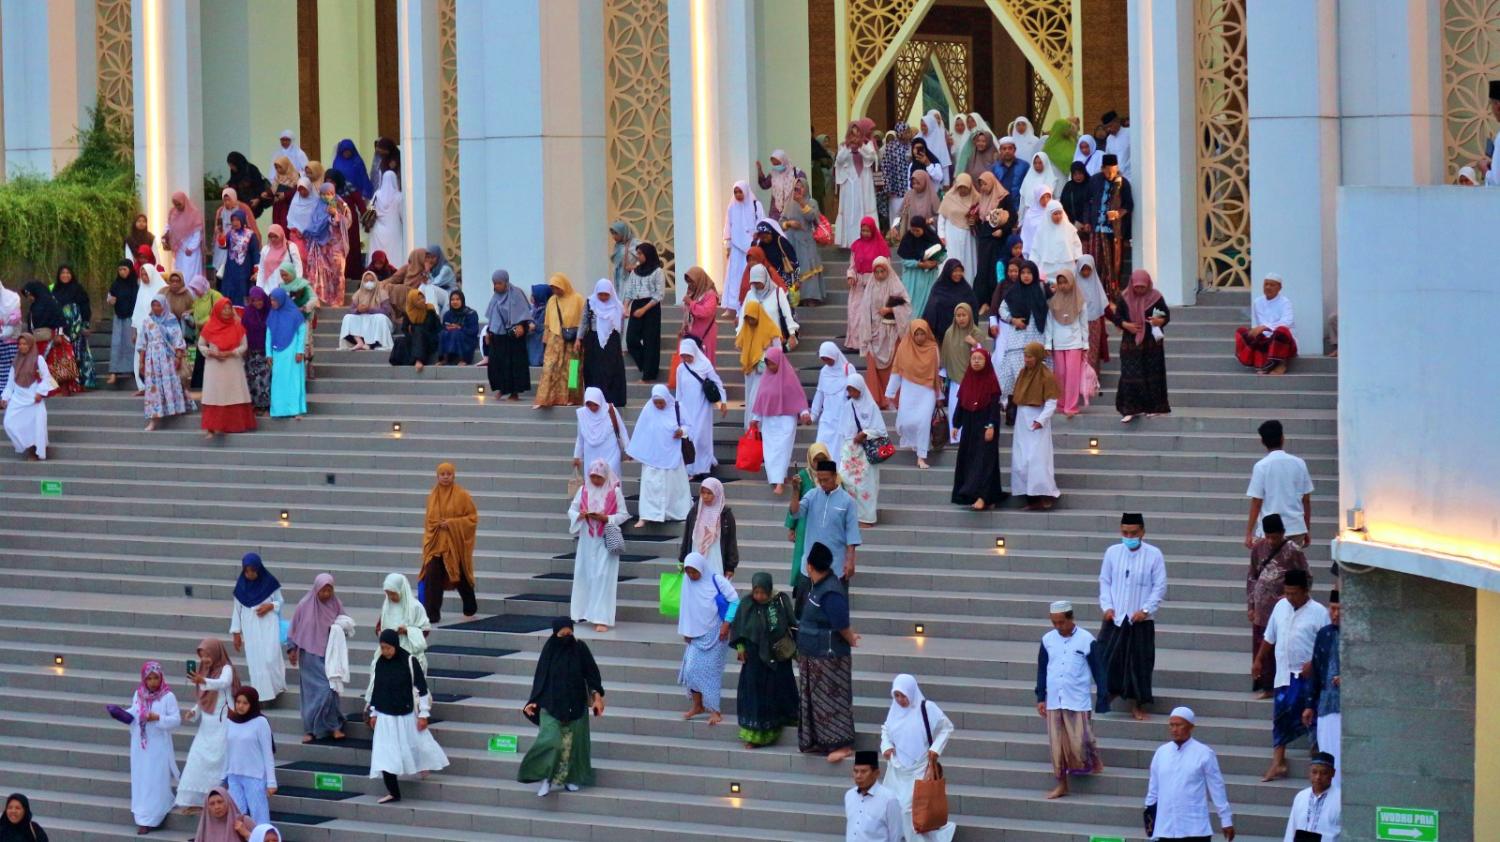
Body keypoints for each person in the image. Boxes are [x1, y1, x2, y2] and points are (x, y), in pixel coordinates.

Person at [1256, 568, 1329, 782]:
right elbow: (1269, 637)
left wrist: (1314, 664)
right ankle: (1278, 763)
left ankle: (1318, 764)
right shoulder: (1280, 607)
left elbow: (1326, 645)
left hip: (1307, 676)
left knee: (1311, 719)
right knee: (1280, 719)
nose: (1290, 597)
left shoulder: (1319, 612)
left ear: (1305, 591)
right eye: (1287, 592)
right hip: (1283, 675)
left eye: (1294, 593)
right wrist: (1259, 659)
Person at [520, 618, 606, 796]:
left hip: (576, 704)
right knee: (551, 741)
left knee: (572, 745)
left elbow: (592, 674)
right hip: (551, 704)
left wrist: (597, 697)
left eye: (570, 634)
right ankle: (545, 777)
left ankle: (569, 778)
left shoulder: (580, 648)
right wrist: (533, 700)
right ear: (555, 633)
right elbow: (540, 678)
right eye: (562, 634)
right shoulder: (549, 650)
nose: (567, 637)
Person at [365, 629, 448, 804]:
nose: (385, 652)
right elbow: (377, 689)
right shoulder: (380, 663)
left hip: (406, 714)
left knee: (416, 743)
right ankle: (393, 792)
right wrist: (374, 713)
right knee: (385, 754)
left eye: (388, 648)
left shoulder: (409, 661)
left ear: (395, 645)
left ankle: (422, 766)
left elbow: (422, 688)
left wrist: (424, 714)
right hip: (386, 717)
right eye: (382, 648)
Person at [1035, 600, 1107, 800]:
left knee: (1080, 740)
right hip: (1054, 700)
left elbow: (1098, 670)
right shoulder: (1048, 640)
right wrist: (1041, 696)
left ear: (1070, 618)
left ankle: (1093, 758)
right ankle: (1062, 784)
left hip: (1077, 698)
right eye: (1054, 623)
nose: (1058, 627)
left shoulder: (1086, 640)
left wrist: (1103, 694)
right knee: (1057, 745)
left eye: (1061, 623)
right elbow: (1042, 669)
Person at [1097, 512, 1167, 720]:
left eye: (1133, 533)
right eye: (1125, 532)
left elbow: (1160, 586)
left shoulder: (1154, 554)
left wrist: (1146, 610)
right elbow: (1105, 581)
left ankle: (1138, 704)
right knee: (1108, 657)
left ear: (1142, 532)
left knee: (1140, 663)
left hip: (1140, 619)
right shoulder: (1112, 552)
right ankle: (1109, 693)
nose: (1129, 536)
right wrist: (1107, 607)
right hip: (1116, 617)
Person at [798, 543, 858, 762]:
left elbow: (841, 622)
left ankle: (841, 744)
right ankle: (819, 741)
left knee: (832, 700)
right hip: (812, 654)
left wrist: (851, 638)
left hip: (829, 658)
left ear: (810, 565)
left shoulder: (832, 590)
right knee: (815, 700)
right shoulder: (817, 586)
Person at [879, 675, 957, 840]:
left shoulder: (927, 708)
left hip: (919, 767)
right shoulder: (895, 710)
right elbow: (886, 729)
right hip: (897, 769)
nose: (900, 700)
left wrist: (935, 749)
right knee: (895, 807)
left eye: (903, 695)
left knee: (910, 809)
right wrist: (886, 746)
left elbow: (947, 727)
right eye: (897, 695)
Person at [728, 572, 798, 748]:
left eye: (762, 592)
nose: (759, 596)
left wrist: (797, 650)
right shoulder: (747, 604)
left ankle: (782, 720)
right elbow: (738, 629)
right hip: (754, 658)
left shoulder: (779, 601)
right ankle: (756, 736)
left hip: (777, 656)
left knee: (778, 690)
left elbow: (791, 623)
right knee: (756, 695)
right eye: (756, 592)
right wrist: (740, 648)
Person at [1144, 707, 1235, 841]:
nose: (1174, 729)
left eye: (1179, 725)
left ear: (1191, 727)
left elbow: (1217, 787)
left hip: (1195, 828)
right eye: (1171, 725)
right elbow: (1153, 788)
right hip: (1165, 828)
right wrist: (1149, 820)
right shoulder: (1161, 753)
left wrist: (1226, 819)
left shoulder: (1204, 753)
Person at [1246, 514, 1309, 696]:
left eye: (1275, 537)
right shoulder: (1258, 548)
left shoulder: (1293, 550)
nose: (1272, 541)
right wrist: (1251, 605)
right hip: (1262, 607)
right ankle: (1264, 685)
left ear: (1282, 533)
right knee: (1262, 645)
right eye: (1268, 537)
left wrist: (1294, 597)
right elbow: (1251, 576)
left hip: (1284, 606)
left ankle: (1279, 685)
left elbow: (1306, 576)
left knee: (1279, 647)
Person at [115, 661, 181, 833]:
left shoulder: (168, 696)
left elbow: (176, 720)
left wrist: (157, 718)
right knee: (142, 779)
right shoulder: (138, 694)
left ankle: (154, 816)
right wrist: (121, 714)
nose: (152, 682)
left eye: (155, 678)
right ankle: (142, 816)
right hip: (140, 744)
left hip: (158, 744)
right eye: (149, 678)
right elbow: (135, 712)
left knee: (156, 778)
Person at [174, 638, 238, 809]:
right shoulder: (204, 671)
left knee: (219, 759)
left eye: (208, 656)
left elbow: (224, 683)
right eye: (202, 656)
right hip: (207, 723)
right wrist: (194, 711)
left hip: (223, 719)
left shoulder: (226, 668)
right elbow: (204, 698)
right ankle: (197, 800)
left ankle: (221, 798)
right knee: (198, 757)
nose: (205, 660)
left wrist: (203, 681)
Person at [676, 551, 739, 725]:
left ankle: (715, 710)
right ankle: (698, 705)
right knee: (690, 670)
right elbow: (686, 607)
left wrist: (727, 623)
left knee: (711, 673)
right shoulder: (687, 583)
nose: (691, 575)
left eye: (694, 571)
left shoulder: (716, 579)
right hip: (696, 634)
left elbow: (734, 600)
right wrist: (686, 630)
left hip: (717, 633)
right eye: (688, 571)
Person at [567, 459, 630, 631]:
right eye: (593, 477)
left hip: (605, 538)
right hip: (587, 540)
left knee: (603, 576)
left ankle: (601, 618)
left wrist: (607, 518)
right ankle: (584, 612)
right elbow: (571, 510)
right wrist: (580, 515)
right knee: (586, 574)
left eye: (599, 477)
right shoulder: (583, 490)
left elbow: (623, 514)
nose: (595, 480)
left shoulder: (614, 492)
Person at [285, 574, 346, 742]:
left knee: (330, 690)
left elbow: (345, 624)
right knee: (313, 693)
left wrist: (341, 629)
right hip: (310, 656)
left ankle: (334, 726)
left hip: (330, 655)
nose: (326, 594)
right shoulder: (305, 605)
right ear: (316, 589)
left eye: (329, 590)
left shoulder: (336, 604)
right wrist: (291, 649)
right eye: (323, 591)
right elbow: (294, 628)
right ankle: (310, 729)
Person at [418, 462, 480, 623]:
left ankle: (470, 607)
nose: (446, 477)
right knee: (432, 576)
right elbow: (429, 521)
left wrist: (452, 524)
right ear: (437, 476)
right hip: (436, 544)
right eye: (442, 474)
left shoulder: (462, 495)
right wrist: (436, 527)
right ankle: (432, 615)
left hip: (454, 544)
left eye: (449, 474)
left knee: (459, 574)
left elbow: (472, 518)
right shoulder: (432, 496)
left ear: (454, 476)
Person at [1108, 269, 1171, 422]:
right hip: (1131, 343)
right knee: (1130, 374)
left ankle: (1154, 407)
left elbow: (1165, 315)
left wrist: (1159, 321)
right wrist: (1126, 325)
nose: (1140, 290)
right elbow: (1116, 317)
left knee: (1153, 375)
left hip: (1151, 343)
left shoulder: (1156, 297)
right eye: (1137, 287)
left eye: (1142, 287)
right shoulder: (1125, 297)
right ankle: (1130, 408)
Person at [628, 384, 693, 526]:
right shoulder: (648, 409)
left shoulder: (677, 407)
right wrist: (636, 450)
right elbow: (641, 430)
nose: (658, 405)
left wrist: (682, 431)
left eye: (661, 402)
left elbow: (688, 425)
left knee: (674, 484)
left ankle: (678, 512)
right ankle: (646, 515)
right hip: (653, 454)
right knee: (650, 484)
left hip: (672, 452)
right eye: (656, 402)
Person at [950, 348, 1005, 509]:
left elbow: (994, 408)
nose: (976, 361)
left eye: (980, 359)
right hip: (969, 426)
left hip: (986, 426)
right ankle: (984, 495)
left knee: (985, 461)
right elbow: (961, 404)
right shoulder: (967, 380)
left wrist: (991, 426)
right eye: (973, 358)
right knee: (970, 459)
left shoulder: (991, 381)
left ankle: (983, 496)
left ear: (986, 361)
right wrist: (956, 424)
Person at [1245, 419, 1315, 548]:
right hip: (1295, 528)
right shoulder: (1299, 463)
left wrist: (1249, 532)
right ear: (1283, 438)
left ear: (1263, 441)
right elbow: (1306, 500)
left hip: (1270, 531)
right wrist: (1306, 528)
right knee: (1293, 566)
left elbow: (1257, 502)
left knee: (1272, 566)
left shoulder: (1261, 466)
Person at [753, 344, 811, 493]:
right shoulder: (765, 379)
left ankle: (778, 482)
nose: (771, 367)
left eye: (773, 363)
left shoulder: (789, 377)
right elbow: (761, 399)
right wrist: (756, 418)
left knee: (783, 449)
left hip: (786, 419)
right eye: (768, 364)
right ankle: (778, 477)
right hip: (769, 421)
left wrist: (804, 412)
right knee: (771, 450)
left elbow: (798, 396)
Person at [1010, 342, 1061, 509]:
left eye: (1030, 356)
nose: (1027, 359)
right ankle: (1029, 497)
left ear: (1038, 356)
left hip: (1037, 420)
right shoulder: (1023, 373)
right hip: (1022, 421)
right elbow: (1018, 395)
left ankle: (1043, 496)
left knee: (1037, 459)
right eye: (1025, 356)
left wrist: (1041, 420)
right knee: (1022, 459)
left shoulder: (1046, 375)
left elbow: (1052, 401)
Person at [884, 320, 940, 469]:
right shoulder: (904, 347)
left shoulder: (933, 348)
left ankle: (921, 456)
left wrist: (939, 395)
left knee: (923, 423)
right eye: (917, 334)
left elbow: (936, 374)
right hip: (909, 390)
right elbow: (897, 370)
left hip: (927, 391)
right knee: (905, 422)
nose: (920, 337)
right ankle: (915, 443)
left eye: (923, 334)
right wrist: (890, 391)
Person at [230, 554, 286, 701]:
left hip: (268, 625)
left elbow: (280, 602)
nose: (250, 574)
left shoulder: (270, 583)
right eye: (247, 571)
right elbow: (237, 611)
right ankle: (261, 695)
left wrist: (270, 606)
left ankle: (276, 688)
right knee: (256, 661)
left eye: (253, 571)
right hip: (250, 628)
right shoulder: (241, 587)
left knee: (270, 657)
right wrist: (236, 633)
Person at [197, 299, 256, 436]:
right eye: (224, 309)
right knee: (215, 395)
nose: (227, 311)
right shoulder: (209, 326)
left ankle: (234, 425)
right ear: (217, 310)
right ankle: (212, 428)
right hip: (214, 366)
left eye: (229, 308)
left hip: (233, 365)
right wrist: (211, 353)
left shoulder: (237, 326)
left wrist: (231, 353)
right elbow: (201, 344)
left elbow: (244, 346)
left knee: (233, 393)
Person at [221, 686, 276, 826]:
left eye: (245, 703)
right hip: (234, 775)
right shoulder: (230, 721)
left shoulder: (260, 722)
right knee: (236, 815)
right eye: (238, 702)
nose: (240, 706)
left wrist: (271, 781)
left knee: (259, 815)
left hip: (254, 776)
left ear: (252, 704)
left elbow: (267, 753)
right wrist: (223, 774)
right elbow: (227, 749)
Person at [861, 257, 911, 406]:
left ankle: (895, 399)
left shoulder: (896, 285)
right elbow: (865, 312)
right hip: (875, 333)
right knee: (874, 366)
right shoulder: (870, 288)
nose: (880, 274)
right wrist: (867, 334)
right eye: (877, 272)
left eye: (883, 271)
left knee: (894, 366)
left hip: (892, 332)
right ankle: (879, 399)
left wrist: (890, 309)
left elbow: (907, 307)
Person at [1303, 591, 1341, 784]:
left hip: (1346, 707)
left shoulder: (1358, 637)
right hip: (1326, 705)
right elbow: (1316, 672)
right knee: (1327, 750)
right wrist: (1310, 704)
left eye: (1339, 610)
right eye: (1332, 609)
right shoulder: (1324, 634)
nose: (1335, 614)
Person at [674, 340, 727, 478]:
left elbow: (717, 382)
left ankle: (701, 467)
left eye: (688, 355)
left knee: (699, 437)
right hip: (687, 408)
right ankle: (693, 468)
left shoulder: (705, 365)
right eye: (684, 356)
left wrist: (723, 402)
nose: (686, 359)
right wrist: (677, 408)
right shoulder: (680, 368)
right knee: (690, 437)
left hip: (702, 407)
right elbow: (679, 391)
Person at [136, 294, 189, 431]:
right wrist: (141, 362)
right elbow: (142, 342)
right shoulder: (147, 321)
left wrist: (178, 356)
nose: (156, 307)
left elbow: (177, 339)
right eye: (153, 305)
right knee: (153, 388)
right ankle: (154, 419)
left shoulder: (171, 319)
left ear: (164, 305)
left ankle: (175, 408)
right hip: (152, 359)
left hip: (168, 358)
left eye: (158, 305)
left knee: (170, 383)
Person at [1082, 153, 1134, 294]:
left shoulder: (1123, 183)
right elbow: (1087, 201)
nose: (1111, 174)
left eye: (1113, 171)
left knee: (1113, 265)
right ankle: (1096, 293)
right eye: (1108, 171)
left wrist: (1118, 214)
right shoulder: (1094, 180)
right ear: (1102, 168)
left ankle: (1112, 294)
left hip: (1114, 231)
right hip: (1097, 229)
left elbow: (1129, 206)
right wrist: (1086, 221)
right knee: (1096, 262)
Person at [839, 374, 886, 526]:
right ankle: (851, 516)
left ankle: (866, 518)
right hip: (850, 452)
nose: (851, 393)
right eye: (849, 390)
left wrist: (865, 433)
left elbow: (881, 430)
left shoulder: (871, 406)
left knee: (866, 485)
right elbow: (843, 430)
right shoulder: (847, 406)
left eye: (854, 389)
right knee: (845, 480)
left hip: (866, 452)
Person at [533, 273, 585, 408]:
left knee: (573, 369)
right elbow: (548, 322)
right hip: (555, 339)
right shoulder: (552, 301)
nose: (556, 291)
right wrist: (545, 340)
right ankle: (545, 398)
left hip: (573, 340)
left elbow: (584, 320)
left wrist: (580, 339)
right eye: (553, 288)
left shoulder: (578, 299)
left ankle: (572, 398)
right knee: (550, 367)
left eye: (557, 287)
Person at [616, 242, 664, 382]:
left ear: (648, 254)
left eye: (640, 253)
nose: (638, 256)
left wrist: (644, 309)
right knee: (631, 339)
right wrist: (625, 307)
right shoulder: (636, 271)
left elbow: (659, 294)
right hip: (637, 304)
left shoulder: (657, 271)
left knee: (651, 341)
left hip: (651, 307)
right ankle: (648, 366)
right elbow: (629, 291)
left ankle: (648, 375)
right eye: (637, 253)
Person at [1043, 270, 1089, 416]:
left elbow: (1084, 325)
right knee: (1060, 375)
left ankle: (1071, 406)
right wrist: (1048, 344)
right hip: (1058, 343)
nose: (1063, 286)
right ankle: (1061, 404)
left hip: (1075, 343)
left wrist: (1085, 344)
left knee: (1072, 376)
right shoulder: (1053, 302)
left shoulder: (1080, 301)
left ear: (1071, 282)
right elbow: (1049, 324)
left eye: (1065, 282)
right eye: (1060, 283)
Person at [1, 335, 54, 461]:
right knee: (9, 423)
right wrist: (5, 397)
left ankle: (34, 450)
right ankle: (28, 445)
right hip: (18, 397)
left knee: (35, 426)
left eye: (25, 344)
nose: (22, 346)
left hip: (33, 398)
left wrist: (40, 392)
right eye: (20, 344)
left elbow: (47, 378)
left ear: (30, 345)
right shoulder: (16, 360)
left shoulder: (38, 359)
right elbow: (10, 382)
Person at [482, 270, 532, 399]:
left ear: (506, 282)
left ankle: (514, 392)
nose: (496, 286)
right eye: (494, 283)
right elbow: (492, 317)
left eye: (499, 283)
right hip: (498, 336)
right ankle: (501, 389)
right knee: (496, 364)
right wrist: (489, 332)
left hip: (513, 336)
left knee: (513, 364)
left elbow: (523, 312)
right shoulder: (495, 298)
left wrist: (521, 324)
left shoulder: (516, 294)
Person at [1235, 273, 1298, 375]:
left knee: (1281, 330)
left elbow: (1287, 322)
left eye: (1272, 285)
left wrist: (1266, 327)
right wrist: (1255, 331)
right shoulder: (1257, 302)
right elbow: (1259, 324)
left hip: (1283, 341)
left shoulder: (1285, 302)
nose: (1268, 287)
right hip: (1266, 339)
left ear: (1280, 288)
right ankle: (1261, 363)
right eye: (1266, 284)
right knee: (1241, 331)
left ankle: (1281, 364)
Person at [846, 217, 891, 355]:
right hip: (859, 284)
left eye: (867, 231)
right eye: (863, 230)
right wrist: (851, 276)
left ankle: (871, 343)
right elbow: (852, 266)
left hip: (875, 283)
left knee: (872, 314)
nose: (865, 233)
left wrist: (878, 280)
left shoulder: (881, 246)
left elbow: (886, 266)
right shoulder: (856, 245)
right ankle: (856, 343)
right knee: (855, 312)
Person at [679, 477, 739, 578]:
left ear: (717, 493)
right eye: (703, 493)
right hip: (696, 552)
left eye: (709, 493)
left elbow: (731, 541)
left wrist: (730, 566)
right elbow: (687, 537)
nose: (705, 496)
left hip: (716, 555)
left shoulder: (725, 514)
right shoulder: (695, 511)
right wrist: (683, 559)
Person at [780, 177, 826, 305]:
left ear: (806, 188)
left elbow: (813, 217)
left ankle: (811, 297)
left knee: (808, 269)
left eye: (801, 187)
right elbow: (781, 222)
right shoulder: (788, 204)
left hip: (806, 241)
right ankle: (796, 298)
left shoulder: (812, 202)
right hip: (792, 242)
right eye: (796, 187)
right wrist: (789, 223)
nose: (798, 190)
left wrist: (801, 203)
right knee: (794, 270)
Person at [49, 265, 95, 390]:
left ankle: (81, 383)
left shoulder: (78, 289)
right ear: (59, 275)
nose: (65, 275)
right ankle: (66, 384)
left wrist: (85, 325)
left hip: (77, 327)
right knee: (63, 355)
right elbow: (52, 310)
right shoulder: (55, 291)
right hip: (61, 328)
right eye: (62, 273)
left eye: (68, 272)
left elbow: (85, 307)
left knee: (78, 353)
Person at [263, 288, 306, 418]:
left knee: (293, 381)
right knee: (278, 381)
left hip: (292, 353)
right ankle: (278, 410)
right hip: (277, 353)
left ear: (281, 299)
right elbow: (269, 334)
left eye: (275, 300)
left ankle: (295, 410)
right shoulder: (273, 314)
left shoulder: (294, 314)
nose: (272, 302)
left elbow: (301, 332)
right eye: (271, 300)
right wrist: (268, 353)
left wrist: (299, 351)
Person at [835, 122, 879, 247]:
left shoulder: (867, 144)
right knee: (850, 210)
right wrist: (849, 147)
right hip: (849, 182)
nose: (855, 136)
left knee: (863, 208)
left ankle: (866, 237)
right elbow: (839, 160)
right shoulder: (843, 146)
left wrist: (860, 146)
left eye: (857, 133)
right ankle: (850, 241)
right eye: (852, 133)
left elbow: (870, 158)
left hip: (863, 182)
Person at [723, 182, 765, 312]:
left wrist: (757, 241)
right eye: (735, 192)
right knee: (734, 277)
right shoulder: (732, 207)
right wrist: (728, 245)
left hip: (751, 248)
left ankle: (750, 305)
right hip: (736, 249)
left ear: (745, 191)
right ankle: (732, 306)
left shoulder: (756, 205)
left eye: (740, 191)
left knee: (749, 276)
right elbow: (728, 226)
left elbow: (761, 223)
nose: (738, 195)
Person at [845, 749, 904, 841]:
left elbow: (896, 835)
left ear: (876, 773)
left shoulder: (889, 799)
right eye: (856, 771)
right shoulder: (849, 796)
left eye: (863, 772)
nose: (858, 776)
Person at [572, 387, 629, 479]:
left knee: (611, 480)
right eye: (589, 405)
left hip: (611, 453)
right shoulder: (582, 414)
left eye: (595, 404)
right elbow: (580, 437)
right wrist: (577, 456)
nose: (592, 408)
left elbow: (622, 430)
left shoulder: (610, 410)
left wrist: (627, 448)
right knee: (593, 481)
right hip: (591, 455)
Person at [1283, 752, 1340, 841]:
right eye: (1314, 772)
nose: (1318, 777)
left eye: (1324, 773)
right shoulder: (1301, 796)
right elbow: (1291, 829)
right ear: (1309, 772)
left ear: (1333, 773)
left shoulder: (1341, 800)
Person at [895, 217, 944, 320]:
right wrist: (919, 264)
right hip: (912, 278)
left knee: (926, 303)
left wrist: (934, 263)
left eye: (917, 230)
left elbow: (942, 255)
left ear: (923, 228)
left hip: (927, 279)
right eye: (913, 230)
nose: (915, 233)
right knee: (911, 304)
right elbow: (904, 260)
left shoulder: (932, 238)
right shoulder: (908, 239)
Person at [935, 173, 978, 280]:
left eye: (965, 187)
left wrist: (975, 220)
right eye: (960, 187)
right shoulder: (949, 197)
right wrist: (941, 235)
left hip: (968, 236)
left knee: (968, 261)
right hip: (951, 235)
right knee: (952, 259)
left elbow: (980, 216)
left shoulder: (976, 198)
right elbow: (942, 217)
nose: (962, 190)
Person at [104, 261, 140, 386]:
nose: (122, 272)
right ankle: (114, 372)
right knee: (117, 344)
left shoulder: (135, 284)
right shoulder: (116, 284)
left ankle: (132, 369)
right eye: (120, 270)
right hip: (119, 318)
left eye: (124, 269)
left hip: (132, 318)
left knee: (131, 344)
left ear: (130, 269)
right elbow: (110, 296)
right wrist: (110, 300)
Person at [340, 271, 394, 351]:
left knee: (381, 318)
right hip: (363, 319)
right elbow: (350, 310)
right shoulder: (358, 294)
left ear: (376, 281)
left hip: (376, 320)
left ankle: (371, 345)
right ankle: (359, 341)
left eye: (371, 280)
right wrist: (358, 310)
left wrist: (370, 309)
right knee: (347, 318)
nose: (369, 283)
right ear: (362, 282)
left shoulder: (382, 293)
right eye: (366, 281)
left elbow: (387, 311)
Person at [238, 288, 271, 415]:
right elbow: (243, 331)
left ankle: (266, 406)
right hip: (251, 352)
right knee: (253, 380)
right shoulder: (248, 312)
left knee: (266, 380)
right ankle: (256, 406)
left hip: (266, 352)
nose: (258, 303)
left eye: (260, 300)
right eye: (254, 300)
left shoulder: (269, 312)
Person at [1076, 254, 1110, 376]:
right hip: (1078, 323)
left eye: (1088, 269)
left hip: (1094, 322)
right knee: (1080, 351)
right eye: (1083, 269)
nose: (1086, 272)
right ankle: (1081, 380)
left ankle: (1091, 379)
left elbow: (1105, 307)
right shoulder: (1074, 285)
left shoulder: (1096, 285)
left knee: (1093, 351)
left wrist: (1119, 322)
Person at [1034, 200, 1084, 283]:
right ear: (1049, 214)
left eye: (1060, 213)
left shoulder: (1069, 228)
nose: (1058, 216)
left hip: (1067, 266)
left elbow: (1076, 245)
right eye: (1055, 214)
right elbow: (1036, 248)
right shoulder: (1042, 230)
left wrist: (1078, 258)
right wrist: (1034, 263)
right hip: (1048, 269)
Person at [390, 286, 439, 370]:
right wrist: (412, 332)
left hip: (430, 337)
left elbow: (434, 327)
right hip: (415, 338)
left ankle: (419, 360)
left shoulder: (429, 309)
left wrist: (414, 328)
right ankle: (405, 361)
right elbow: (405, 329)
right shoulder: (408, 312)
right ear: (413, 301)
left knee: (418, 331)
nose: (422, 301)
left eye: (422, 298)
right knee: (400, 341)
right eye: (418, 299)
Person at [680, 266, 720, 365]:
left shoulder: (710, 295)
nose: (690, 285)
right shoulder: (693, 293)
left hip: (705, 334)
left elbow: (705, 312)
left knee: (705, 360)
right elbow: (688, 312)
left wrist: (691, 303)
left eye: (692, 281)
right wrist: (684, 325)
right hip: (692, 333)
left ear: (699, 280)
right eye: (688, 282)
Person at [164, 191, 205, 282]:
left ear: (184, 201)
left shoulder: (194, 213)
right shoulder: (173, 212)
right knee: (179, 271)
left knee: (190, 273)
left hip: (191, 250)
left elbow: (197, 233)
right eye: (176, 205)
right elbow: (168, 225)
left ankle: (192, 294)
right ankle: (180, 292)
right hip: (179, 248)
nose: (178, 207)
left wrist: (191, 247)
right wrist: (166, 234)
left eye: (179, 204)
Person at [367, 171, 404, 261]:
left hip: (378, 231)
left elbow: (371, 209)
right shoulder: (399, 197)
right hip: (394, 230)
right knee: (394, 255)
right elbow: (403, 215)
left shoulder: (377, 194)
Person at [880, 124, 912, 225]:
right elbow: (886, 168)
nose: (909, 134)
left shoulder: (910, 146)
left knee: (907, 215)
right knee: (896, 216)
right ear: (900, 133)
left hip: (908, 188)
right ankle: (895, 238)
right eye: (906, 132)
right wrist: (888, 188)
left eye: (909, 132)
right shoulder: (891, 147)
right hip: (895, 190)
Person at [436, 290, 479, 366]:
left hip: (468, 338)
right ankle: (444, 359)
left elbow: (474, 331)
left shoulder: (471, 313)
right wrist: (448, 328)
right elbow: (443, 327)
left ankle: (463, 359)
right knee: (443, 333)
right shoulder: (447, 314)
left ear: (462, 300)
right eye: (452, 299)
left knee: (457, 333)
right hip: (452, 336)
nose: (455, 302)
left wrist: (460, 328)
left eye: (457, 299)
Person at [255, 225, 301, 294]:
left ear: (281, 235)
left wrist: (296, 285)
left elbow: (298, 266)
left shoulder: (291, 247)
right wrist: (259, 289)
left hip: (287, 289)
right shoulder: (266, 249)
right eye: (270, 237)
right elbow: (261, 269)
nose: (273, 239)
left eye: (275, 236)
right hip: (268, 289)